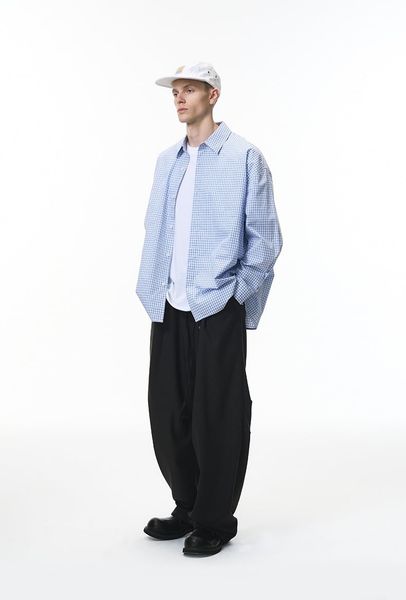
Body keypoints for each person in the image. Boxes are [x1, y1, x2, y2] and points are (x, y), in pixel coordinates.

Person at [135, 62, 283, 556]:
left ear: (212, 95)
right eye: (175, 92)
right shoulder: (167, 161)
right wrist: (153, 286)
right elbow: (156, 228)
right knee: (167, 413)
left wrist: (234, 295)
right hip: (168, 303)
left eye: (189, 90)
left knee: (216, 416)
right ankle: (188, 507)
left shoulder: (245, 157)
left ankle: (215, 521)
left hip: (216, 304)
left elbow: (265, 240)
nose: (179, 98)